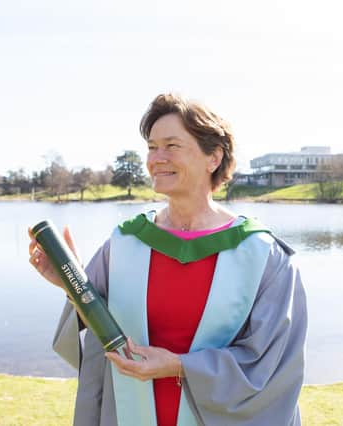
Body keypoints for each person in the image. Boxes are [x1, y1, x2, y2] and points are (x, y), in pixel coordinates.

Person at [28, 93, 307, 426]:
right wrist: (68, 283)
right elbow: (98, 327)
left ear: (213, 157)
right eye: (151, 147)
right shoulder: (125, 242)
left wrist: (179, 366)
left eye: (172, 146)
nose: (156, 158)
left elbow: (271, 363)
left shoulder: (263, 255)